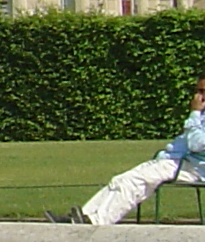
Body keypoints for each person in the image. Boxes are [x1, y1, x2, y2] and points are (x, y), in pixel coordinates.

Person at [58, 75, 205, 225]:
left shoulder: (198, 114)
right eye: (198, 91)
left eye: (203, 92)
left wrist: (194, 113)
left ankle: (96, 222)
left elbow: (196, 144)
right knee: (120, 180)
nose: (198, 97)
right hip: (180, 162)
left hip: (194, 167)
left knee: (135, 181)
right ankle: (82, 216)